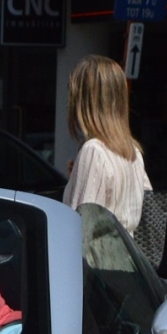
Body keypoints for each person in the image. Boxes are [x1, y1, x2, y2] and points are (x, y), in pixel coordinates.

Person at [61, 54, 150, 232]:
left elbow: (82, 230)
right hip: (125, 257)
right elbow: (144, 206)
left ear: (84, 102)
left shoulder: (93, 151)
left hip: (98, 259)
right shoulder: (133, 152)